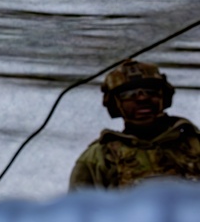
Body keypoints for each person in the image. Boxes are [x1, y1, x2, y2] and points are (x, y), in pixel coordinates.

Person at [70, 59, 200, 190]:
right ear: (116, 104)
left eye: (151, 91)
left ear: (163, 96)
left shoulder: (195, 145)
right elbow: (80, 202)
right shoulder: (99, 158)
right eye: (128, 94)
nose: (142, 98)